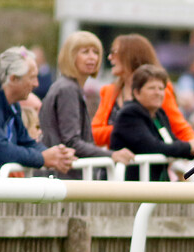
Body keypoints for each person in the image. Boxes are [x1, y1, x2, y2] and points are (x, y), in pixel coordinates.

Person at [39, 31, 134, 176]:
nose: (92, 57)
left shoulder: (68, 87)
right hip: (62, 178)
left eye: (96, 52)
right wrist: (111, 155)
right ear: (70, 56)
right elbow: (71, 141)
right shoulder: (68, 89)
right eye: (85, 52)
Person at [92, 34, 194, 151]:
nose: (110, 57)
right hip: (118, 165)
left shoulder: (159, 91)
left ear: (131, 56)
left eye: (115, 52)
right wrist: (127, 129)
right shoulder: (109, 91)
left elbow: (179, 127)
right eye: (151, 88)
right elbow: (94, 134)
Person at [0, 46, 75, 172]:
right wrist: (42, 158)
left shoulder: (13, 104)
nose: (36, 84)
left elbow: (26, 141)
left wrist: (56, 155)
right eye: (32, 77)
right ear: (13, 79)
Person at [110, 64, 194, 181]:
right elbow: (152, 146)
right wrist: (188, 147)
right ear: (137, 93)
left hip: (156, 183)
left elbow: (170, 141)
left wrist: (193, 152)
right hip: (133, 187)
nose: (158, 93)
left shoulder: (159, 114)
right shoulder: (130, 114)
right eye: (152, 88)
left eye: (161, 88)